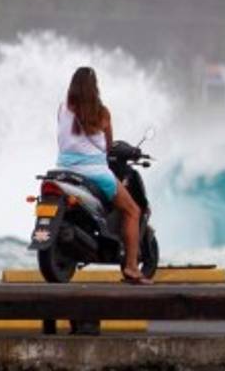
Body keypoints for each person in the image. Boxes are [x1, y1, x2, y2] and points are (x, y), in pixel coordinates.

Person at [57, 66, 151, 285]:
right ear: (94, 88)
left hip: (64, 170)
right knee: (132, 210)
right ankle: (130, 267)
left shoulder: (62, 109)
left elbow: (61, 137)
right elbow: (108, 146)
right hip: (95, 172)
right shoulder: (102, 113)